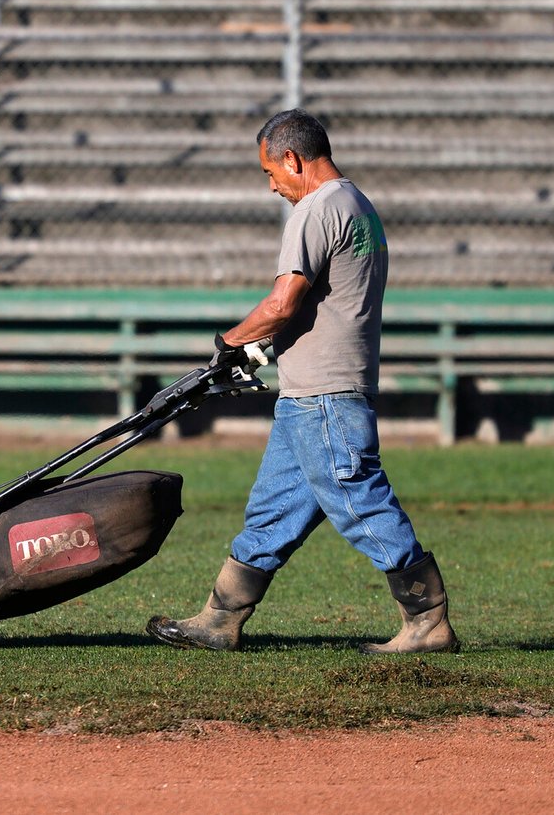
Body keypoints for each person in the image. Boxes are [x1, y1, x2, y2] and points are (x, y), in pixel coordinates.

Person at [146, 108, 458, 654]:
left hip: (325, 395)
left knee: (359, 500)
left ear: (292, 159)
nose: (272, 187)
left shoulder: (316, 209)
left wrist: (229, 342)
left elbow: (282, 302)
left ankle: (427, 619)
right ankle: (220, 619)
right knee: (273, 510)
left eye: (270, 173)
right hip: (308, 393)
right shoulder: (358, 206)